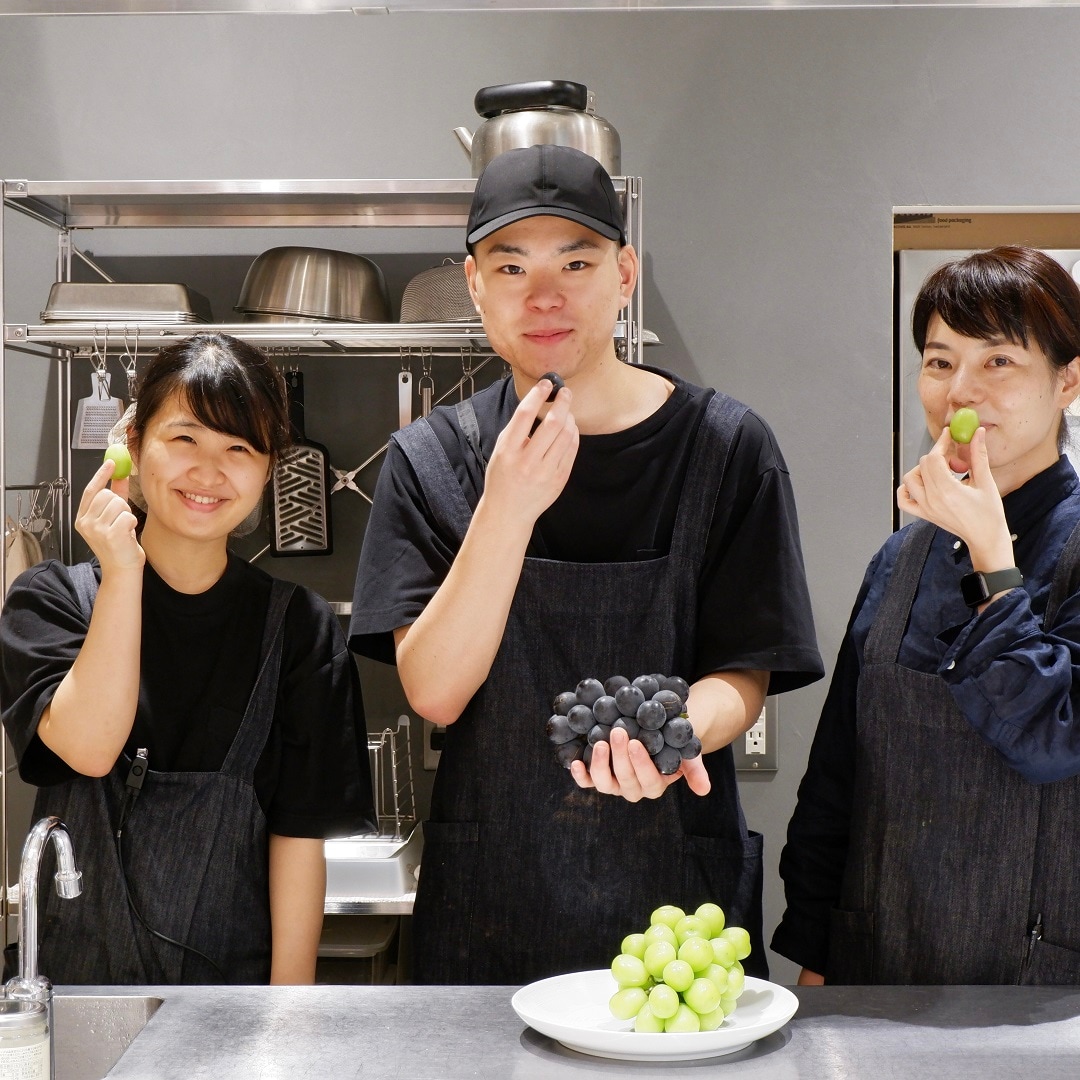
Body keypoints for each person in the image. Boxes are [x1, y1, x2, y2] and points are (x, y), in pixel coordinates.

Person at [349, 144, 823, 985]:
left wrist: (674, 734)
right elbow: (435, 691)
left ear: (624, 273)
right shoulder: (428, 461)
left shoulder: (729, 450)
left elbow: (743, 675)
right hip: (491, 906)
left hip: (680, 905)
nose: (545, 295)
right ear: (474, 285)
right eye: (512, 266)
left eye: (576, 262)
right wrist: (506, 505)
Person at [1, 332, 375, 985]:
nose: (208, 472)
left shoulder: (300, 629)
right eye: (185, 439)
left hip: (232, 1005)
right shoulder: (50, 601)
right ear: (132, 442)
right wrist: (122, 572)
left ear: (268, 468)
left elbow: (298, 838)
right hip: (76, 1000)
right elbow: (89, 749)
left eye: (239, 448)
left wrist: (287, 1017)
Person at [772, 246, 1080, 986]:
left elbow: (1051, 739)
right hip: (877, 969)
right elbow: (840, 776)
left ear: (1068, 380)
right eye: (940, 363)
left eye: (998, 361)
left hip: (1040, 990)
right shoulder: (901, 556)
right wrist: (817, 951)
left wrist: (991, 556)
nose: (960, 393)